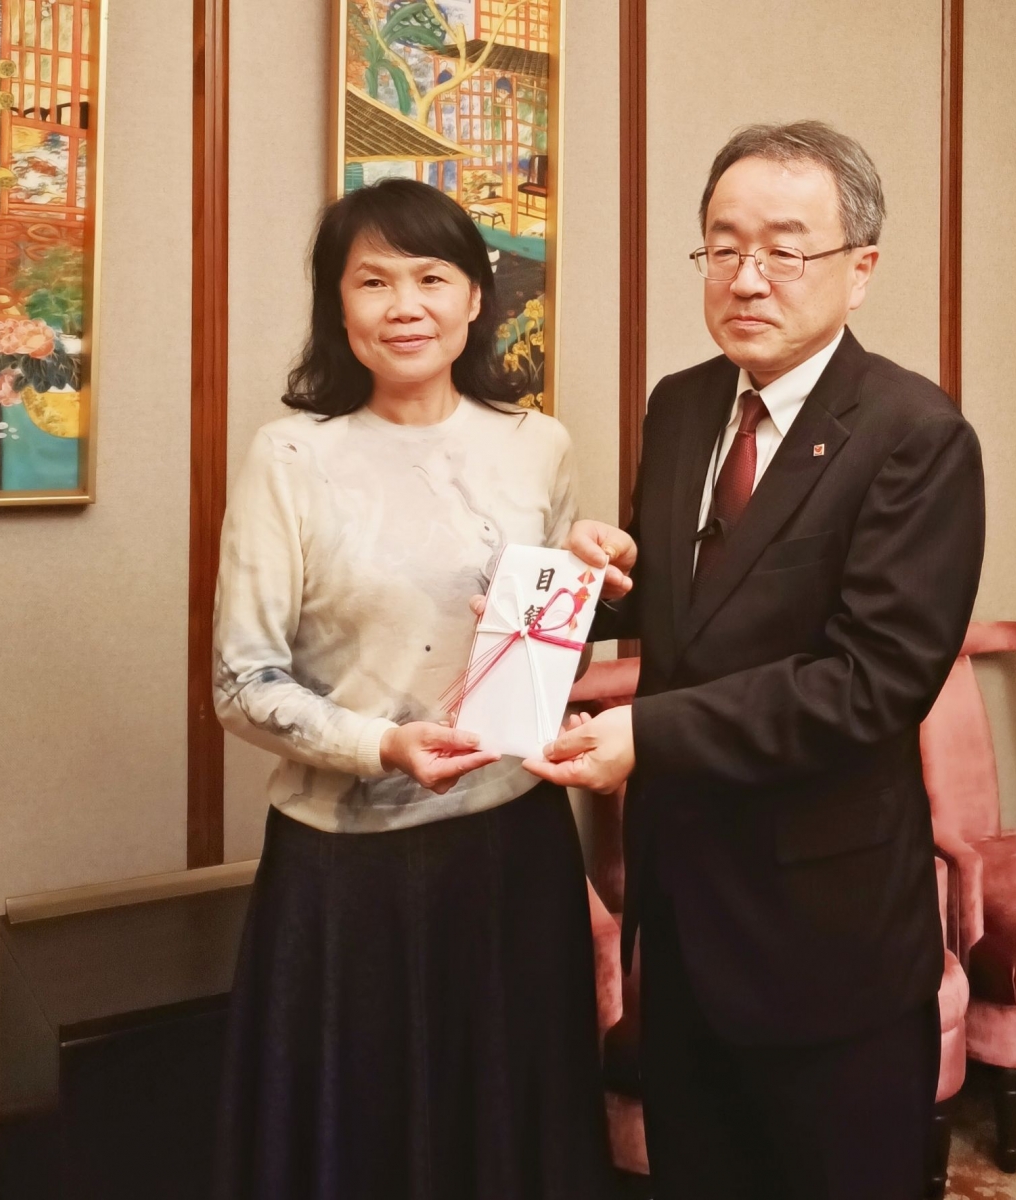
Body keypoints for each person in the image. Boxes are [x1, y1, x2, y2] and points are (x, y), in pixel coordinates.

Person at [528, 122, 986, 1200]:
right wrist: (580, 583)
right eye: (723, 247)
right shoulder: (683, 405)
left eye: (784, 250)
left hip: (823, 935)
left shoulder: (915, 435)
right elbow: (686, 604)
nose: (746, 278)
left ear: (859, 269)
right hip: (683, 915)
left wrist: (646, 735)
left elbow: (871, 683)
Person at [211, 178, 611, 1200]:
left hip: (514, 849)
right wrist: (380, 746)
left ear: (476, 297)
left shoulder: (538, 444)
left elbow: (544, 650)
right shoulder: (290, 456)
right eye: (374, 281)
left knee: (511, 1134)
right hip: (347, 871)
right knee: (361, 1144)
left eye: (432, 278)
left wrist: (586, 589)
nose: (405, 306)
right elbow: (241, 682)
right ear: (337, 303)